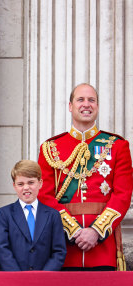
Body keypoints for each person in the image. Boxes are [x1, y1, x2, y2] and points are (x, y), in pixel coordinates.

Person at [38, 83, 133, 270]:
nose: (86, 104)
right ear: (70, 106)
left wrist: (96, 231)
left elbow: (122, 195)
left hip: (102, 248)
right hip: (63, 248)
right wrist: (73, 231)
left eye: (92, 100)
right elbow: (44, 195)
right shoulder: (50, 148)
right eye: (80, 99)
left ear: (97, 106)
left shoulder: (117, 146)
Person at [0, 160, 66, 271]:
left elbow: (59, 251)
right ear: (14, 186)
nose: (26, 187)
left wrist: (43, 276)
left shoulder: (53, 215)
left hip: (44, 280)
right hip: (14, 279)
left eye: (31, 182)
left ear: (40, 183)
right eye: (20, 184)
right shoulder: (4, 214)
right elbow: (1, 248)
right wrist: (18, 276)